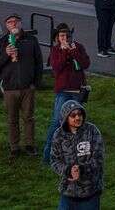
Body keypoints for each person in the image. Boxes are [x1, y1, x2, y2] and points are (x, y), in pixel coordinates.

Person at [0, 12, 42, 157]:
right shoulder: (2, 42)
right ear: (6, 26)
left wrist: (35, 84)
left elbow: (39, 63)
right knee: (12, 119)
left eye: (16, 21)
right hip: (10, 88)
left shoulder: (31, 40)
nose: (13, 24)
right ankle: (14, 147)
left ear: (20, 23)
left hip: (27, 87)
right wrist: (6, 53)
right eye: (10, 22)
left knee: (29, 118)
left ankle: (30, 145)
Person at [43, 23, 91, 163]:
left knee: (76, 122)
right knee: (57, 121)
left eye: (67, 35)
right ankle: (48, 155)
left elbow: (85, 64)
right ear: (57, 38)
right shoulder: (56, 50)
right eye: (62, 36)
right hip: (63, 91)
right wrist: (64, 52)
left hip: (77, 90)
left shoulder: (78, 47)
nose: (65, 38)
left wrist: (73, 51)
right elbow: (57, 67)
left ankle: (74, 154)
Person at [49, 100, 105, 210]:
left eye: (79, 114)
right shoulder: (58, 135)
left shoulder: (92, 131)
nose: (77, 118)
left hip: (90, 192)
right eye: (73, 115)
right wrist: (68, 170)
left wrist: (82, 169)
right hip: (67, 192)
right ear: (66, 118)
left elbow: (98, 158)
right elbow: (54, 160)